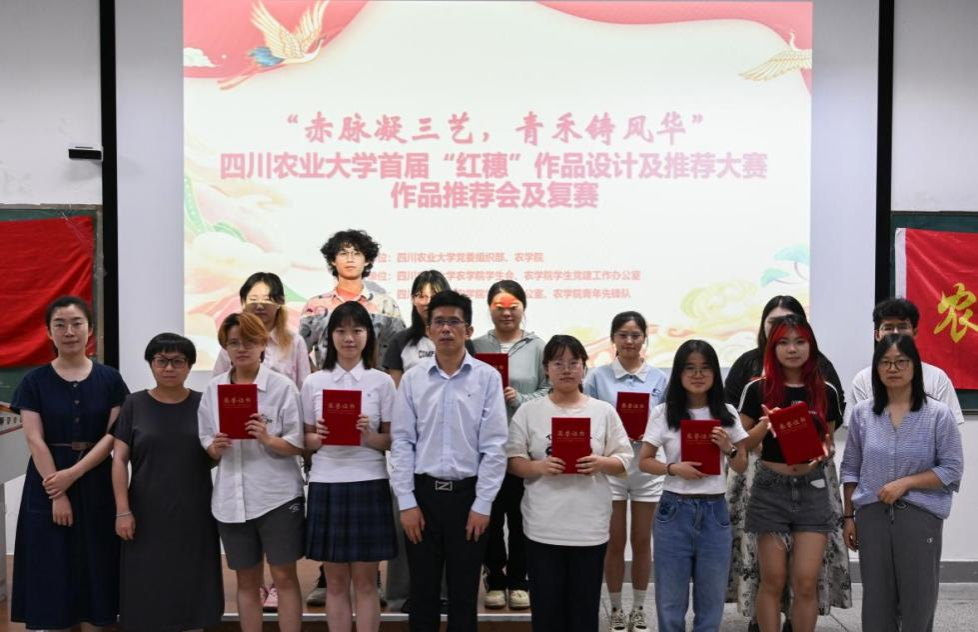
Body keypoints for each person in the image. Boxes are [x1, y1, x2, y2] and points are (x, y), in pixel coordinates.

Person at [725, 297, 851, 632]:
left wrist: (823, 451)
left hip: (812, 489)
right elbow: (740, 444)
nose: (792, 349)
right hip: (769, 488)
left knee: (806, 582)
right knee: (773, 580)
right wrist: (764, 426)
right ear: (772, 347)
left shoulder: (825, 390)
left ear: (811, 345)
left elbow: (828, 443)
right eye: (783, 342)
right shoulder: (757, 389)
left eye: (799, 342)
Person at [390, 290, 509, 632]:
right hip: (422, 496)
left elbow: (494, 446)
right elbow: (402, 442)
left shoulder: (487, 377)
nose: (446, 329)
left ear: (468, 330)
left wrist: (483, 504)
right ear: (428, 329)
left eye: (454, 322)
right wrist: (406, 502)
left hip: (468, 498)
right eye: (438, 322)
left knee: (463, 595)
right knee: (422, 594)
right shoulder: (413, 379)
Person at [9, 295, 129, 630]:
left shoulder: (110, 379)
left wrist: (73, 474)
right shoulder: (33, 381)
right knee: (51, 560)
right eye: (60, 325)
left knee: (96, 559)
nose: (69, 331)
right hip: (47, 481)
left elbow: (113, 436)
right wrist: (58, 491)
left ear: (90, 330)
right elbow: (34, 439)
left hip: (96, 477)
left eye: (77, 323)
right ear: (49, 332)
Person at [506, 334, 632, 632]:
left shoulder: (603, 411)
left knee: (584, 610)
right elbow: (513, 461)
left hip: (589, 528)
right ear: (546, 369)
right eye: (558, 363)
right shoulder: (529, 411)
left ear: (584, 368)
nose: (566, 369)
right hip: (543, 526)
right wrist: (539, 466)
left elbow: (624, 459)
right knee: (546, 610)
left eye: (573, 363)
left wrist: (600, 462)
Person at [840, 334, 963, 632]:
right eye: (885, 362)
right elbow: (851, 468)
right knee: (876, 602)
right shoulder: (862, 413)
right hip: (872, 516)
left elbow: (951, 468)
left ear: (915, 366)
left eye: (901, 361)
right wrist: (848, 517)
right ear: (876, 369)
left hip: (920, 516)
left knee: (918, 600)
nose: (892, 368)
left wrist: (906, 483)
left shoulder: (938, 414)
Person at [199, 312, 306, 632]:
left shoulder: (282, 387)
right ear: (225, 348)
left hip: (277, 496)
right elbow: (205, 439)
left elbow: (297, 443)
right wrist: (214, 447)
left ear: (263, 344)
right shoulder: (214, 389)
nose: (241, 348)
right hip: (231, 499)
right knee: (246, 580)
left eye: (248, 341)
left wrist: (267, 438)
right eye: (234, 343)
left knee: (284, 576)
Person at [112, 333, 224, 630]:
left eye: (178, 361)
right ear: (151, 364)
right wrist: (122, 510)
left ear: (189, 366)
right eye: (161, 361)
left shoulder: (204, 403)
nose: (169, 368)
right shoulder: (134, 404)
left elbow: (212, 455)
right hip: (145, 511)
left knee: (193, 582)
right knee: (147, 582)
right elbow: (119, 460)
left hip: (195, 510)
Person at [301, 301, 398, 632]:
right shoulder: (314, 382)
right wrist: (318, 437)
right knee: (336, 582)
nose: (349, 338)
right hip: (326, 481)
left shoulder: (381, 382)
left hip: (368, 481)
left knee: (367, 583)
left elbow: (391, 441)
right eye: (341, 330)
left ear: (368, 335)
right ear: (329, 336)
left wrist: (368, 435)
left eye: (357, 330)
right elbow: (305, 441)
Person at [640, 340, 750, 632]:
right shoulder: (664, 412)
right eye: (690, 368)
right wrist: (673, 468)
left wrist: (728, 448)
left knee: (711, 601)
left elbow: (741, 465)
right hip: (674, 509)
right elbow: (644, 461)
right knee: (670, 601)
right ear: (679, 373)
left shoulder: (726, 412)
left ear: (715, 373)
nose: (698, 375)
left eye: (705, 368)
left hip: (715, 511)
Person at [381, 270, 472, 612]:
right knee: (409, 530)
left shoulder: (469, 355)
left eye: (433, 293)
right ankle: (402, 595)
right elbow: (397, 401)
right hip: (414, 454)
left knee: (454, 545)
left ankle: (445, 595)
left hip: (458, 465)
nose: (426, 300)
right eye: (420, 294)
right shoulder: (401, 342)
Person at [583, 311, 667, 632]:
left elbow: (667, 421)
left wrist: (649, 433)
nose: (629, 341)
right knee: (615, 541)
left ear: (644, 338)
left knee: (643, 541)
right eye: (623, 335)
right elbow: (588, 418)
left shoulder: (659, 378)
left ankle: (639, 608)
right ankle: (617, 608)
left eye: (635, 335)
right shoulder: (597, 377)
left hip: (647, 465)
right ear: (613, 339)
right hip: (612, 466)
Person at [472, 280, 548, 611]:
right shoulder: (474, 345)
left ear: (523, 308)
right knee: (488, 516)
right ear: (489, 309)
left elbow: (548, 391)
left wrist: (519, 398)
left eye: (513, 306)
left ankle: (519, 580)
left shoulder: (539, 346)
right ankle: (495, 578)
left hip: (524, 448)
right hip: (484, 448)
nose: (506, 312)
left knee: (521, 518)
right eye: (499, 307)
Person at [847, 297, 964, 424]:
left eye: (902, 327)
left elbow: (948, 427)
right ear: (877, 335)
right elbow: (859, 428)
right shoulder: (863, 380)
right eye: (888, 328)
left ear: (915, 333)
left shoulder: (937, 378)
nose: (896, 333)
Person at [300, 228, 404, 369]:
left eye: (357, 253)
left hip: (373, 381)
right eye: (343, 253)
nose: (350, 259)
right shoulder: (315, 305)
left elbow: (399, 351)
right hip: (328, 381)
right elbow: (299, 351)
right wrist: (317, 376)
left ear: (367, 260)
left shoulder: (385, 305)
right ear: (332, 260)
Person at [214, 271, 311, 389]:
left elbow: (303, 387)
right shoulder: (234, 342)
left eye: (267, 300)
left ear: (280, 302)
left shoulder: (294, 342)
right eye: (253, 300)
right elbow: (217, 385)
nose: (259, 306)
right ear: (243, 303)